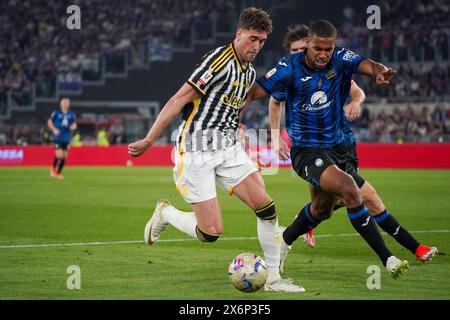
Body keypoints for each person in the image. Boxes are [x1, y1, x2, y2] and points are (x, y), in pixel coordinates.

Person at [128, 7, 305, 292]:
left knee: (266, 206)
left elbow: (230, 108)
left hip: (227, 146)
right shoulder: (218, 62)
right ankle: (166, 214)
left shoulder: (248, 73)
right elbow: (178, 99)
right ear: (239, 34)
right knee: (210, 232)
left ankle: (273, 279)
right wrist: (150, 139)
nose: (257, 46)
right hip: (197, 147)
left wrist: (240, 129)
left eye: (261, 41)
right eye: (252, 39)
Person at [244, 19, 431, 278]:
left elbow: (366, 64)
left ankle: (283, 240)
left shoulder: (340, 59)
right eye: (317, 48)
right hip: (306, 151)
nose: (323, 54)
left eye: (328, 49)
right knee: (351, 191)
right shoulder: (288, 68)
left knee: (322, 209)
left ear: (334, 46)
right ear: (308, 44)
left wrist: (378, 70)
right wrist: (238, 121)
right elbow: (254, 93)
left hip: (338, 147)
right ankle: (388, 258)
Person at [47, 97, 77, 179]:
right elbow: (49, 121)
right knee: (59, 154)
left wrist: (73, 127)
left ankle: (58, 173)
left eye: (67, 102)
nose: (65, 104)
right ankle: (52, 170)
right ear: (61, 104)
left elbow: (74, 124)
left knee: (64, 156)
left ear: (69, 104)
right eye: (64, 102)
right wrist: (54, 129)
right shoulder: (56, 113)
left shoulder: (71, 114)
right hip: (57, 137)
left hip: (66, 138)